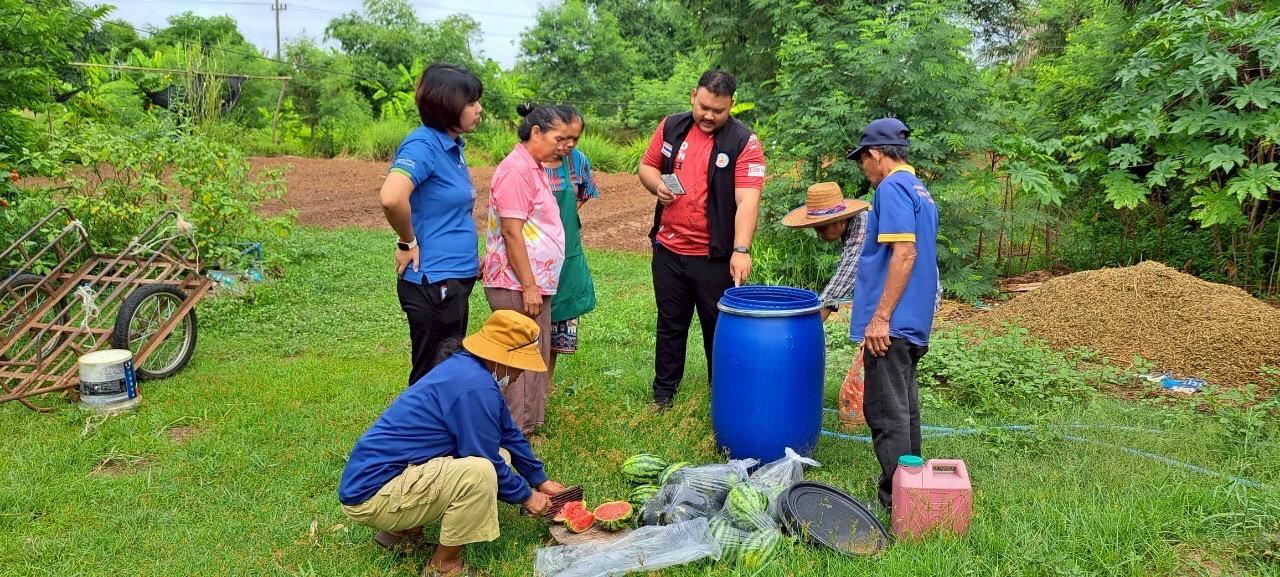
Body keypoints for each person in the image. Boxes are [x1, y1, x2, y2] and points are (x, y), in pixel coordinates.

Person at [338, 310, 566, 577]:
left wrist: (540, 480)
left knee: (500, 455)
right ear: (501, 358)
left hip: (380, 478)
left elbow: (508, 434)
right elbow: (483, 457)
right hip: (371, 496)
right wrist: (527, 497)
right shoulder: (475, 387)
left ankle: (402, 532)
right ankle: (444, 566)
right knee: (480, 473)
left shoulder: (468, 370)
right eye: (520, 365)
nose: (521, 373)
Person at [637, 69, 766, 409]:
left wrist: (741, 249)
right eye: (704, 107)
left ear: (731, 105)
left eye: (718, 110)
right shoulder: (671, 126)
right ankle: (663, 395)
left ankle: (722, 397)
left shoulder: (744, 142)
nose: (709, 115)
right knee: (670, 324)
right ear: (694, 95)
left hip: (714, 256)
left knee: (718, 329)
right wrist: (657, 185)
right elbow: (647, 166)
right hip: (669, 249)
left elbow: (748, 200)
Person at [846, 118, 940, 509]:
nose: (864, 170)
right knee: (904, 411)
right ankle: (914, 492)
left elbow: (905, 253)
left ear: (875, 154)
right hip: (914, 320)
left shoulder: (892, 187)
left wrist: (881, 317)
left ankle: (896, 501)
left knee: (885, 412)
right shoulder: (920, 190)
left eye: (862, 161)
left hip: (893, 324)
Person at [379, 63, 485, 386]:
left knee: (448, 365)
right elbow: (392, 197)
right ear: (447, 105)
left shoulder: (451, 146)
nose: (479, 109)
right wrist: (407, 241)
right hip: (434, 280)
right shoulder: (423, 146)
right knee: (432, 374)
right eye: (471, 102)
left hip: (454, 278)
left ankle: (439, 419)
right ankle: (417, 420)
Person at [482, 103, 572, 433]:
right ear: (536, 132)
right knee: (518, 358)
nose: (563, 145)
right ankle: (515, 431)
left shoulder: (533, 167)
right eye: (558, 138)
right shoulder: (516, 170)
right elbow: (511, 230)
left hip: (532, 282)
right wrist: (530, 286)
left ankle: (529, 427)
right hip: (518, 283)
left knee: (534, 354)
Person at [542, 105, 599, 383]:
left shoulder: (578, 161)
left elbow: (585, 192)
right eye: (563, 138)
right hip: (532, 253)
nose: (569, 144)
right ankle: (520, 389)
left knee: (557, 318)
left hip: (566, 253)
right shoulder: (528, 161)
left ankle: (545, 387)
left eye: (575, 138)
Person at [780, 182, 870, 321]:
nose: (819, 235)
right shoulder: (851, 225)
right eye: (816, 229)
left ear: (840, 221)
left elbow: (845, 277)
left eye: (822, 228)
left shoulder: (861, 228)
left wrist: (810, 324)